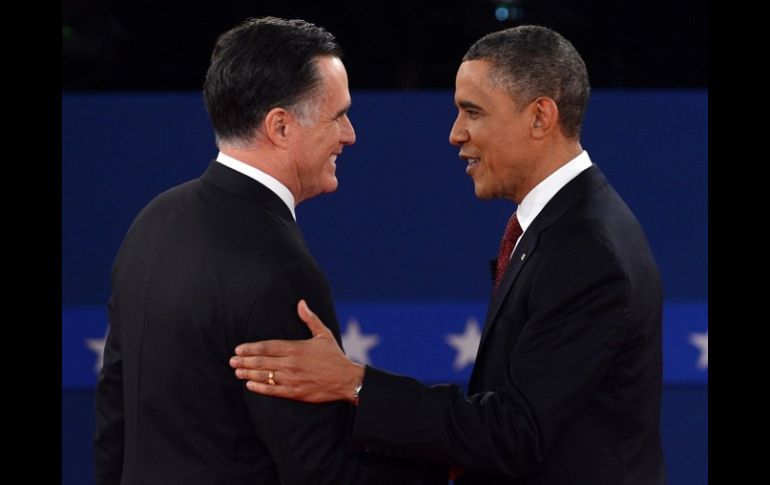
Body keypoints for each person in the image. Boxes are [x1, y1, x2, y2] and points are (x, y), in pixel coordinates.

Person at [230, 25, 666, 485]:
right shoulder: (560, 224)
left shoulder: (587, 248)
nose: (456, 134)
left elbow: (515, 433)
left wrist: (353, 382)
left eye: (472, 112)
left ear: (540, 117)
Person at [94, 16, 444, 485]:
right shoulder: (279, 270)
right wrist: (446, 466)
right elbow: (319, 469)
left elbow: (115, 419)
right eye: (338, 115)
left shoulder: (154, 219)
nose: (350, 134)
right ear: (280, 126)